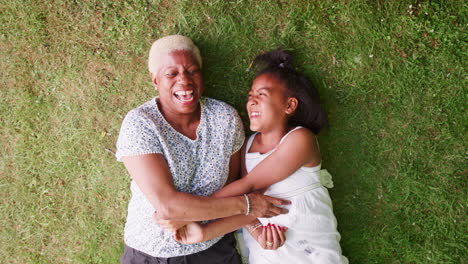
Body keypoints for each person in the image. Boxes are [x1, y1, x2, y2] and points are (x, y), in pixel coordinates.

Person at [115, 35, 289, 264]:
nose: (184, 81)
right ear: (155, 80)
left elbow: (234, 186)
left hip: (215, 248)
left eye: (192, 71)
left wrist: (254, 226)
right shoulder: (141, 123)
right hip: (151, 253)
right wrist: (248, 206)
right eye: (171, 74)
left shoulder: (224, 118)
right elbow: (168, 207)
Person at [171, 49, 349, 263]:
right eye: (250, 96)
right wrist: (257, 232)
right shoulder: (247, 146)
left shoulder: (300, 139)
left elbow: (250, 185)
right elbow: (247, 202)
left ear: (289, 105)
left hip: (311, 251)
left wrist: (188, 212)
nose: (252, 102)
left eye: (262, 95)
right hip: (268, 252)